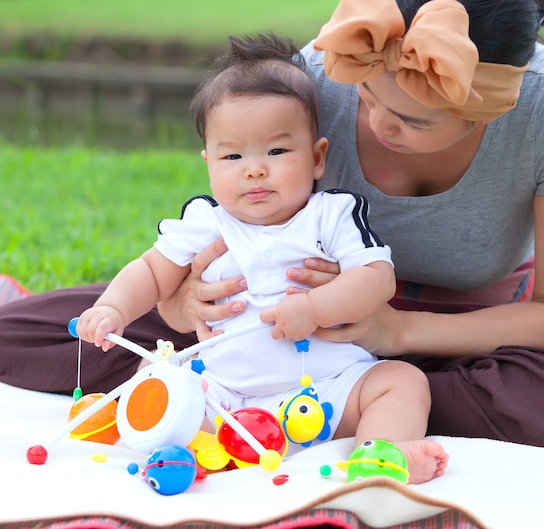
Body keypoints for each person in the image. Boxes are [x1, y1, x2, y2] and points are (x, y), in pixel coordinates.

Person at [2, 0, 544, 458]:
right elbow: (235, 208)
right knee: (41, 332)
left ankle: (356, 401)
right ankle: (331, 408)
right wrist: (181, 302)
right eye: (371, 99)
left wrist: (397, 334)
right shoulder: (324, 72)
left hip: (463, 332)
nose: (380, 126)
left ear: (490, 114)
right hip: (277, 323)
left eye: (414, 122)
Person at [73, 32, 449, 484]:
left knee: (403, 382)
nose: (254, 169)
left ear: (316, 158)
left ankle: (380, 454)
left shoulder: (331, 214)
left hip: (325, 391)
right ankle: (186, 447)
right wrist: (112, 308)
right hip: (224, 398)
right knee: (154, 370)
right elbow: (151, 271)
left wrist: (315, 308)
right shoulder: (205, 221)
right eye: (232, 155)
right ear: (208, 162)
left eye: (276, 151)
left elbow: (375, 278)